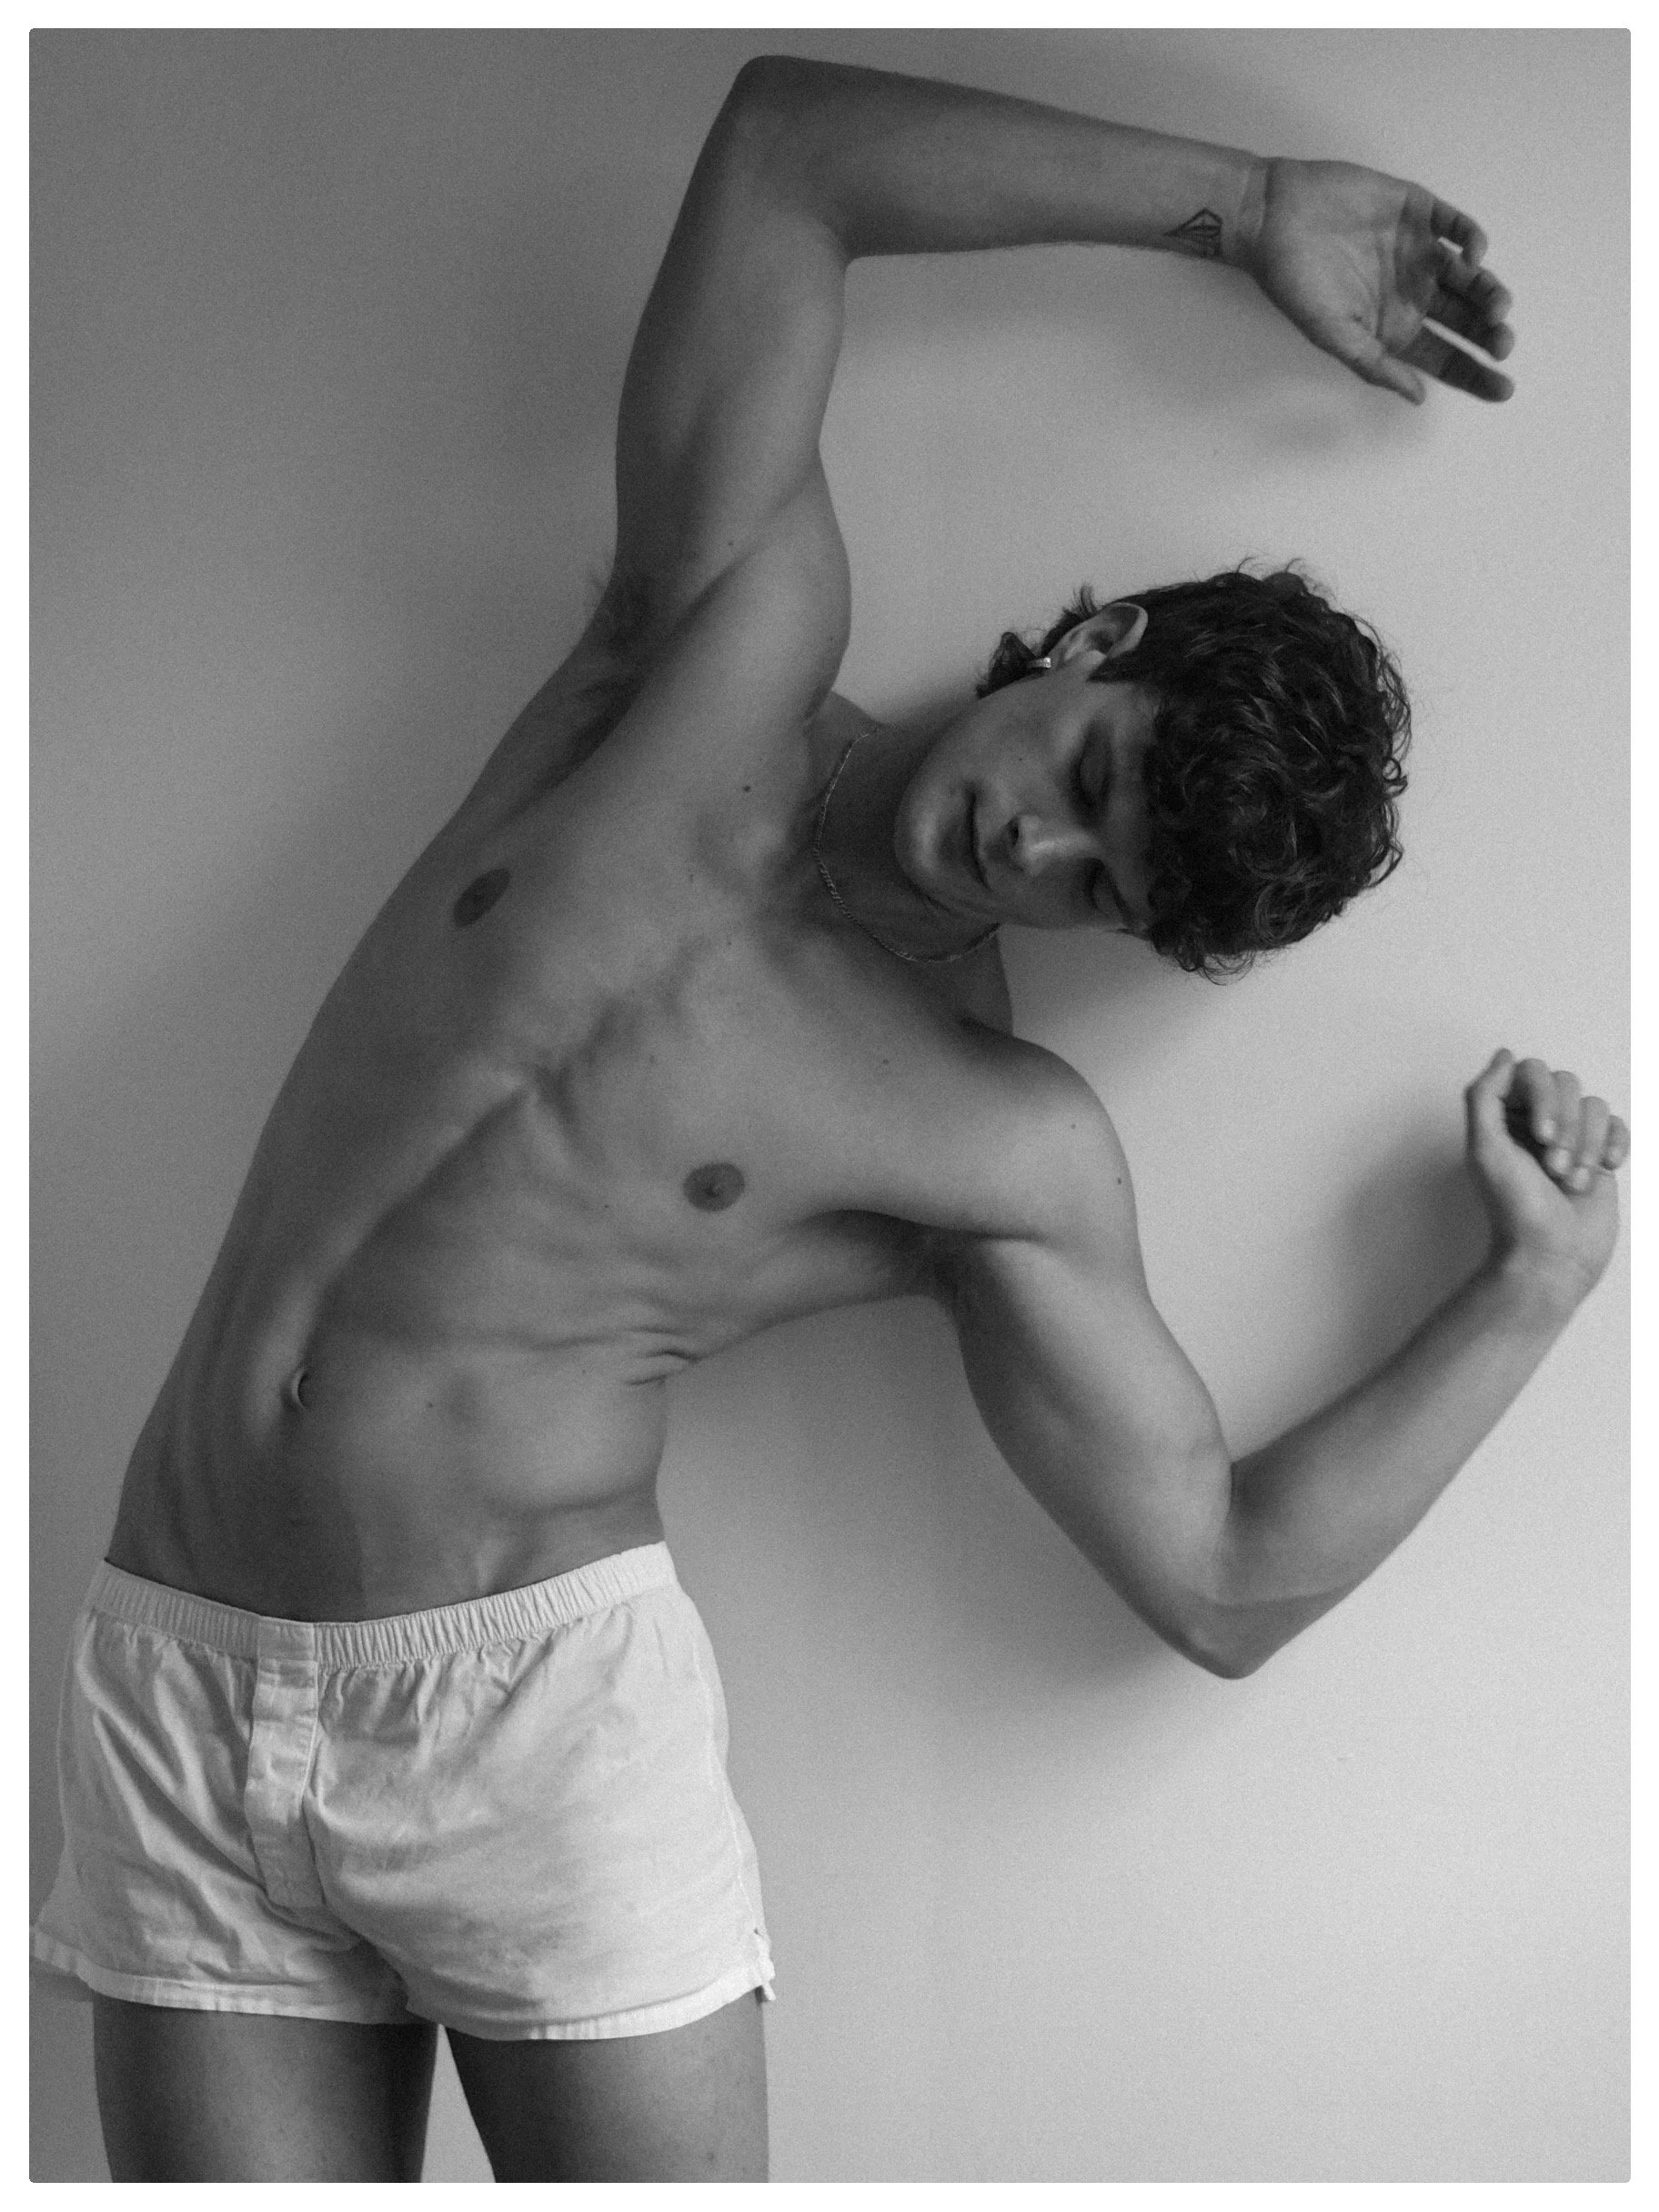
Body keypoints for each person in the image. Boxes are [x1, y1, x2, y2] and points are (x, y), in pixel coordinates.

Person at [33, 55, 1627, 2183]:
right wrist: (1250, 206)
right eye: (1092, 775)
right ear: (1090, 644)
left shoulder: (992, 1138)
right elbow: (788, 152)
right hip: (177, 1656)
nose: (1038, 848)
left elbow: (1223, 1576)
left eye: (1104, 886)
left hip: (527, 1730)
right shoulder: (720, 642)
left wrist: (1532, 1290)